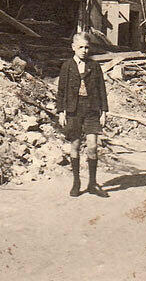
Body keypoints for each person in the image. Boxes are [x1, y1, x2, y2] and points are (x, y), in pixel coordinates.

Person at [56, 32, 109, 198]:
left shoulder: (94, 66)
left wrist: (104, 112)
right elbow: (61, 91)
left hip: (92, 109)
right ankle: (76, 182)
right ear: (73, 47)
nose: (84, 50)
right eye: (81, 47)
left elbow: (102, 90)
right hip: (74, 109)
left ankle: (92, 184)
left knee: (92, 146)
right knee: (75, 146)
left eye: (87, 47)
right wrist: (61, 111)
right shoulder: (67, 66)